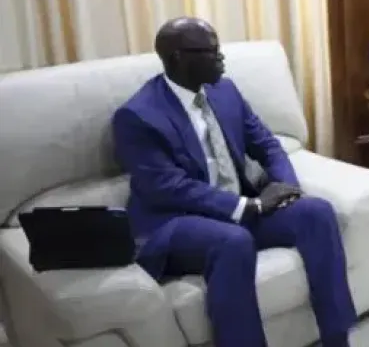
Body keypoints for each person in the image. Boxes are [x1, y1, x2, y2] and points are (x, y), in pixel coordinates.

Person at [113, 17, 356, 347]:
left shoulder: (225, 91)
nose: (221, 57)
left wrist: (284, 188)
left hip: (239, 209)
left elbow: (267, 145)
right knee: (232, 241)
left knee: (317, 213)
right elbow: (167, 187)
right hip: (177, 221)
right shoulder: (138, 116)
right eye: (211, 51)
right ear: (178, 58)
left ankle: (337, 338)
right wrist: (249, 205)